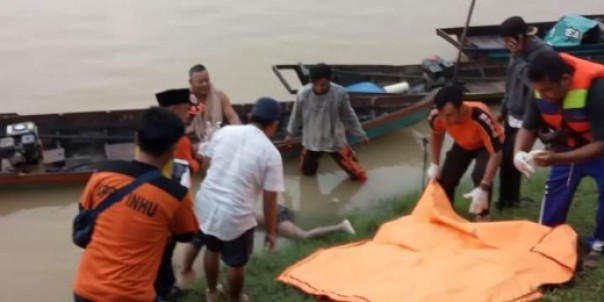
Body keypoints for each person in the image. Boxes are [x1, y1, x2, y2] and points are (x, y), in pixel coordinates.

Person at [73, 107, 198, 302]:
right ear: (173, 149)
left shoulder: (101, 175)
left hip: (85, 289)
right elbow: (187, 233)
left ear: (136, 139)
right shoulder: (174, 195)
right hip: (131, 296)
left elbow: (85, 211)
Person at [513, 51, 604, 267]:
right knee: (554, 195)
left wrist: (555, 159)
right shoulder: (540, 90)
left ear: (565, 79)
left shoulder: (597, 90)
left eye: (547, 90)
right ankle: (550, 239)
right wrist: (519, 153)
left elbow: (601, 144)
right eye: (539, 90)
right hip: (568, 147)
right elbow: (528, 126)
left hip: (600, 147)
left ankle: (599, 243)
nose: (543, 95)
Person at [195, 97, 284, 302]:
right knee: (236, 263)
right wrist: (271, 231)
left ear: (251, 116)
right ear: (274, 125)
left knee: (212, 248)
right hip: (235, 215)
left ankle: (212, 292)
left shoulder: (225, 132)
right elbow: (270, 200)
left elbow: (206, 164)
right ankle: (235, 298)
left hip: (206, 203)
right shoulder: (271, 154)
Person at [180, 205, 356, 278]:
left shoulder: (209, 225)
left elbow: (195, 246)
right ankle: (326, 216)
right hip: (274, 211)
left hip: (277, 217)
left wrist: (186, 269)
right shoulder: (213, 219)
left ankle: (341, 226)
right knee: (302, 230)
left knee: (303, 236)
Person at [497, 16, 553, 209]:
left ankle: (510, 201)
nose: (506, 46)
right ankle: (508, 199)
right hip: (512, 112)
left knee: (514, 158)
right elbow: (509, 81)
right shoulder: (514, 53)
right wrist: (504, 107)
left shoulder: (543, 54)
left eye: (509, 41)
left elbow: (536, 85)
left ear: (520, 37)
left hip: (530, 116)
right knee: (506, 158)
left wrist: (519, 57)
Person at [151, 88, 201, 300]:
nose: (190, 112)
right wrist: (197, 162)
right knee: (166, 250)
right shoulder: (177, 138)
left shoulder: (152, 132)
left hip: (153, 198)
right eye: (186, 109)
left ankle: (163, 285)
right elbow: (183, 173)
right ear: (173, 110)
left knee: (159, 252)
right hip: (170, 203)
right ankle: (167, 290)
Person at [427, 84, 504, 221]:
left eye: (449, 115)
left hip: (486, 145)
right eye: (442, 115)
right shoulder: (436, 116)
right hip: (463, 142)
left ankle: (482, 214)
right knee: (445, 178)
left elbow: (496, 153)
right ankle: (447, 212)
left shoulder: (480, 117)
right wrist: (434, 164)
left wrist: (485, 185)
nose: (445, 120)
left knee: (480, 175)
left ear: (461, 108)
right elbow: (436, 134)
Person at [285, 63, 369, 183]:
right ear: (311, 82)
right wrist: (290, 133)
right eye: (316, 85)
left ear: (329, 81)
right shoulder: (303, 94)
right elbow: (296, 114)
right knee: (307, 174)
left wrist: (361, 134)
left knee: (358, 176)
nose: (319, 88)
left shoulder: (340, 93)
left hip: (335, 140)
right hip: (312, 140)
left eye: (323, 85)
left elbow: (349, 115)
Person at [187, 64, 241, 145]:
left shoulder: (220, 96)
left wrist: (241, 134)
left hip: (217, 142)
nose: (204, 84)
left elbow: (232, 117)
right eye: (200, 82)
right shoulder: (184, 101)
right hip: (192, 144)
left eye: (207, 80)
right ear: (191, 82)